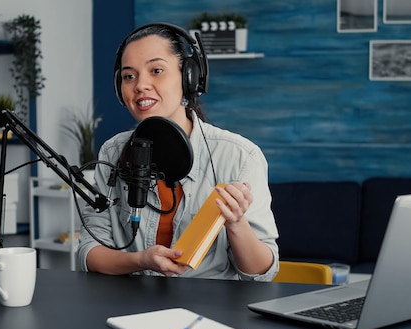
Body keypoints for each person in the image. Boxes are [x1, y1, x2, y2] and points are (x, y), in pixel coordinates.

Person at [77, 23, 279, 280]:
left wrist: (236, 224)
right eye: (129, 76)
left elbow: (263, 274)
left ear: (189, 78)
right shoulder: (114, 151)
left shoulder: (239, 156)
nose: (140, 85)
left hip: (208, 311)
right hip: (132, 308)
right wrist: (140, 260)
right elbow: (89, 252)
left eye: (156, 70)